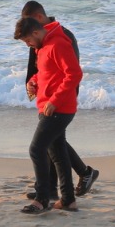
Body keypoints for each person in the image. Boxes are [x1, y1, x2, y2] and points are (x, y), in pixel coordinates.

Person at [20, 1, 99, 200]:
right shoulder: (41, 35)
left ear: (37, 18)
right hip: (47, 93)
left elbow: (71, 72)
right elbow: (41, 66)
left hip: (60, 98)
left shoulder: (60, 37)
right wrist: (33, 82)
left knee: (50, 143)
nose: (28, 43)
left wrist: (59, 98)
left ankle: (67, 183)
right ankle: (56, 190)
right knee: (53, 143)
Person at [15, 15, 82, 213]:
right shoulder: (43, 46)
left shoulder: (58, 44)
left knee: (37, 150)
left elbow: (75, 74)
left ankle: (42, 199)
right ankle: (68, 200)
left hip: (58, 108)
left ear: (36, 32)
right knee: (58, 153)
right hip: (49, 106)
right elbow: (50, 72)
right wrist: (34, 80)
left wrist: (54, 100)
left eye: (28, 40)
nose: (28, 45)